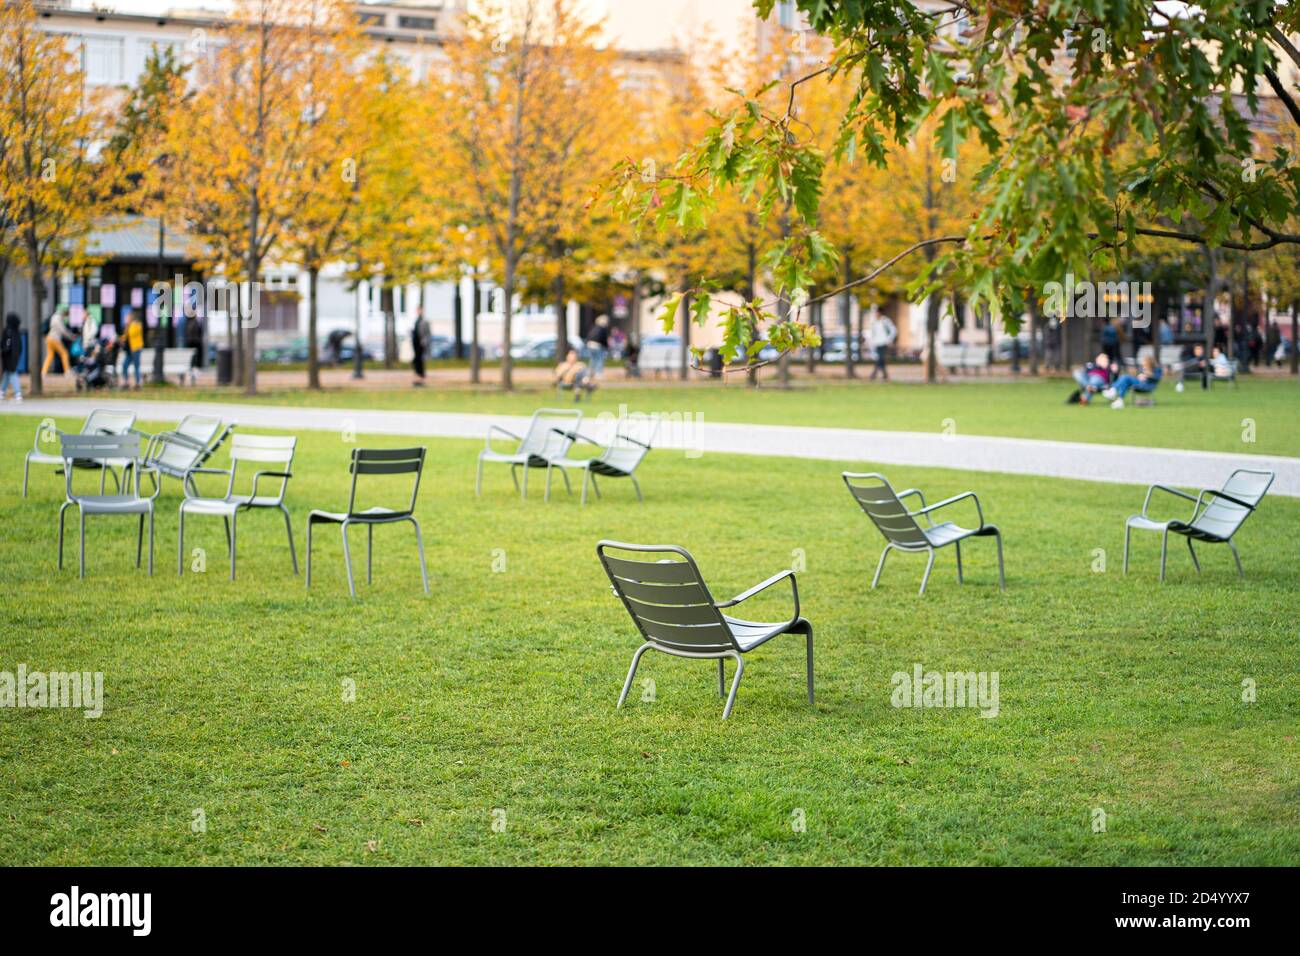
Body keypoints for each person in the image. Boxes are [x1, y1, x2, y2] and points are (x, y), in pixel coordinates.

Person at [42, 306, 72, 376]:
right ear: (64, 312)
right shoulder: (58, 318)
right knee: (64, 353)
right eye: (66, 314)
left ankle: (43, 372)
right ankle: (67, 371)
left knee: (50, 355)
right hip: (54, 339)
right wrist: (71, 337)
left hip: (49, 338)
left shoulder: (54, 317)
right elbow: (62, 330)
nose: (66, 316)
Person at [866, 312, 897, 381]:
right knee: (881, 359)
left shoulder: (886, 321)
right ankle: (885, 375)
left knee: (880, 358)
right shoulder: (874, 322)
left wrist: (889, 339)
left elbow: (893, 330)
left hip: (884, 342)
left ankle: (873, 374)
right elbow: (872, 333)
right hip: (877, 343)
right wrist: (871, 341)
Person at [119, 308, 145, 389]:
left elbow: (133, 333)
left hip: (136, 349)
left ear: (131, 318)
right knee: (124, 365)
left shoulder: (136, 325)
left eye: (127, 318)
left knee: (136, 366)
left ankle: (138, 384)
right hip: (129, 350)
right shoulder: (128, 326)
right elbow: (125, 337)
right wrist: (120, 339)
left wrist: (129, 326)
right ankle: (126, 382)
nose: (125, 320)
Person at [1, 313, 23, 402]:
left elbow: (6, 344)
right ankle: (2, 392)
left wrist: (4, 350)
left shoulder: (8, 330)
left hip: (9, 356)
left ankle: (18, 393)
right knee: (7, 373)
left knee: (12, 373)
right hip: (15, 355)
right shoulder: (16, 331)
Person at [584, 315, 611, 379]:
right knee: (599, 359)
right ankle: (598, 373)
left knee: (593, 359)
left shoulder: (594, 327)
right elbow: (603, 339)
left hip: (590, 344)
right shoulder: (603, 328)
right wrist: (607, 346)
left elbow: (588, 336)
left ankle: (590, 372)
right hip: (597, 345)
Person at [411, 307, 430, 386]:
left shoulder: (424, 321)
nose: (418, 312)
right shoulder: (416, 321)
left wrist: (424, 342)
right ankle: (417, 378)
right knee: (416, 362)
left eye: (420, 310)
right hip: (415, 345)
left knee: (420, 362)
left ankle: (421, 379)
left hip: (420, 345)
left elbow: (427, 333)